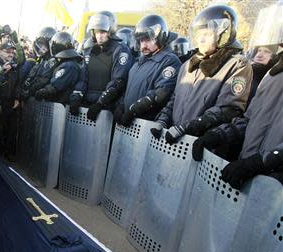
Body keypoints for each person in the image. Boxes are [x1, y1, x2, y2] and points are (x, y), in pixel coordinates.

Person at [191, 1, 283, 190]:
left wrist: (261, 162)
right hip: (254, 179)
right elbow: (249, 120)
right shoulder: (273, 74)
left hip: (276, 185)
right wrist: (219, 134)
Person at [151, 5, 253, 145]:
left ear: (223, 34)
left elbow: (228, 108)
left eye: (206, 34)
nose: (201, 40)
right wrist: (162, 120)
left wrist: (189, 127)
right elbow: (175, 99)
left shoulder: (237, 65)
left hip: (201, 144)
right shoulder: (189, 65)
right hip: (173, 139)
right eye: (199, 35)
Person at [115, 15, 181, 126]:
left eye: (147, 40)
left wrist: (134, 110)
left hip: (146, 125)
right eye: (141, 41)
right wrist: (121, 105)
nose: (143, 45)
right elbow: (129, 88)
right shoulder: (139, 62)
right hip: (128, 124)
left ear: (159, 37)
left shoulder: (169, 61)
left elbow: (161, 94)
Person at [71, 12, 133, 121]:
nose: (99, 35)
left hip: (106, 109)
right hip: (87, 105)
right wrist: (76, 97)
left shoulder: (120, 50)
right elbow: (83, 78)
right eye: (97, 32)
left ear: (110, 31)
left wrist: (100, 103)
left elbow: (118, 80)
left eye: (103, 32)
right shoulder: (90, 50)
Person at [34, 31, 82, 104]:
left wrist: (41, 92)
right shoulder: (70, 63)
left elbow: (55, 85)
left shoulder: (69, 66)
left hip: (61, 106)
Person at [20, 26, 58, 100]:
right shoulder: (43, 60)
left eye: (42, 45)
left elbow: (43, 79)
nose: (40, 49)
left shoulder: (53, 60)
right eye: (39, 46)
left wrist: (29, 91)